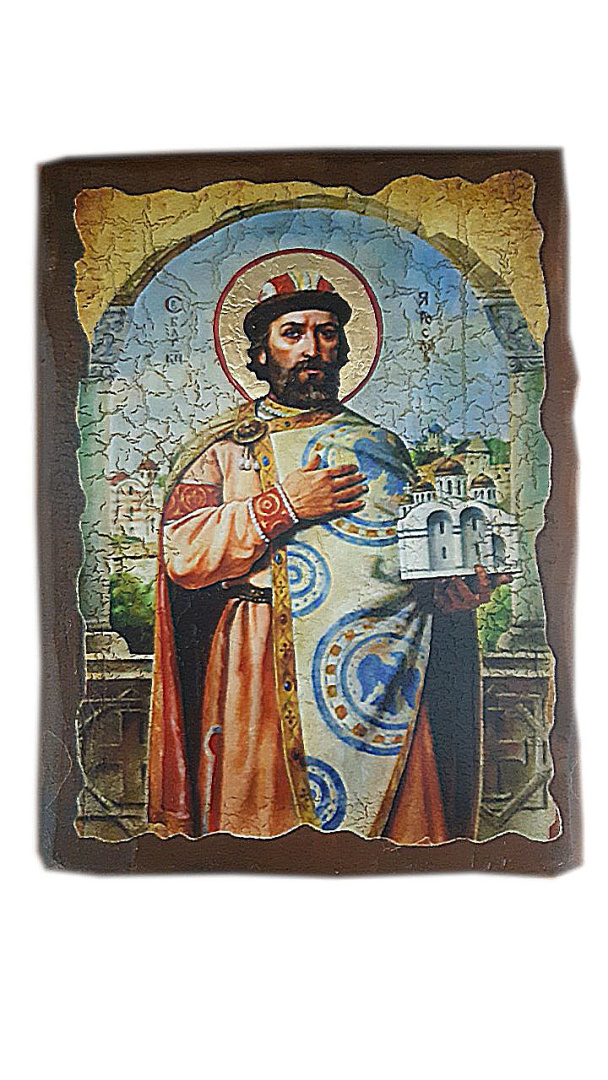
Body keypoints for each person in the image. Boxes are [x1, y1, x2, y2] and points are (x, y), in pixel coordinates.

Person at [147, 271, 507, 842]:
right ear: (261, 354)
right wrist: (283, 504)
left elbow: (408, 568)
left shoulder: (382, 447)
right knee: (260, 834)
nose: (312, 348)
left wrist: (451, 595)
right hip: (259, 666)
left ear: (343, 350)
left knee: (394, 846)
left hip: (385, 672)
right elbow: (183, 552)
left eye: (327, 333)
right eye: (292, 333)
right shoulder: (225, 448)